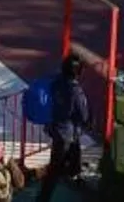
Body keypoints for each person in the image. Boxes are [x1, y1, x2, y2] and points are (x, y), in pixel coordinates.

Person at [41, 51, 94, 197]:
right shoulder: (76, 92)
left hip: (57, 128)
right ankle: (43, 196)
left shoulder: (56, 84)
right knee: (54, 169)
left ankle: (74, 174)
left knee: (74, 152)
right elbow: (83, 115)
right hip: (67, 132)